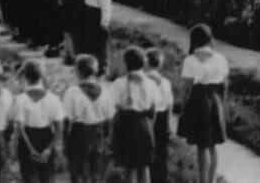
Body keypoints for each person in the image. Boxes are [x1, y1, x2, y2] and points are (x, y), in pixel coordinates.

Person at [177, 24, 229, 183]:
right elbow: (225, 84)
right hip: (215, 100)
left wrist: (184, 108)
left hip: (198, 101)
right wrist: (221, 103)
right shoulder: (220, 58)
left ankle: (203, 180)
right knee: (212, 145)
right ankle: (211, 180)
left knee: (201, 145)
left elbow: (186, 88)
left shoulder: (190, 60)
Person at [110, 47, 160, 183]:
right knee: (143, 167)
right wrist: (149, 126)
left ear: (126, 64)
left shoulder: (119, 83)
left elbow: (115, 106)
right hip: (144, 123)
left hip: (124, 123)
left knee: (129, 168)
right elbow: (154, 109)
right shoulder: (150, 84)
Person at [62, 54, 113, 183]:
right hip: (98, 134)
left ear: (77, 71)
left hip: (79, 134)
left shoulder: (72, 91)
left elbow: (67, 120)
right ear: (95, 71)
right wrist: (106, 137)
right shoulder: (105, 91)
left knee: (79, 175)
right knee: (96, 174)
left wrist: (65, 141)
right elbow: (109, 119)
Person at [12, 60, 64, 183]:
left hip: (27, 139)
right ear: (41, 76)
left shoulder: (20, 99)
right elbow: (59, 128)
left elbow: (20, 128)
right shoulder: (53, 99)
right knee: (47, 178)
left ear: (25, 77)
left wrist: (31, 149)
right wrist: (49, 149)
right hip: (47, 137)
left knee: (28, 177)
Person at [145, 49, 175, 183]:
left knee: (146, 152)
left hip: (147, 118)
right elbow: (169, 104)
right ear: (160, 64)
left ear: (145, 62)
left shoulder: (143, 81)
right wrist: (169, 123)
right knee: (161, 154)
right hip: (162, 120)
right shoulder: (165, 82)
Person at [83, 0, 112, 75]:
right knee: (91, 41)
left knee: (99, 43)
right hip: (90, 12)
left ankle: (102, 67)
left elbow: (106, 6)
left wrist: (104, 22)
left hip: (97, 14)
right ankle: (93, 66)